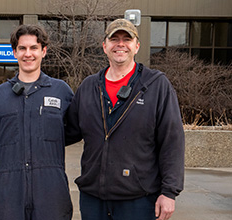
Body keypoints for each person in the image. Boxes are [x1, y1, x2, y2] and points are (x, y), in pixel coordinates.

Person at [66, 18, 185, 220]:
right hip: (93, 199)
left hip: (138, 200)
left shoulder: (156, 85)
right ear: (105, 47)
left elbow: (172, 140)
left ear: (136, 46)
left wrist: (169, 192)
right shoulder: (88, 87)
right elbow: (67, 131)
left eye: (127, 39)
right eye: (114, 39)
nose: (120, 44)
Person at [0, 24, 74, 219]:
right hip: (8, 193)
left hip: (50, 193)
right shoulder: (0, 95)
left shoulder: (61, 91)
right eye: (22, 48)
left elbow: (74, 131)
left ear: (43, 51)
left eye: (34, 48)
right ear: (14, 52)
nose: (28, 54)